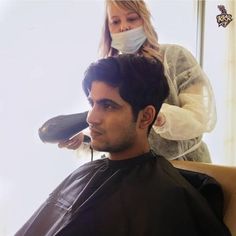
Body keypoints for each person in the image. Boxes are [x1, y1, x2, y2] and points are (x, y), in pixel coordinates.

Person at [16, 55, 230, 236]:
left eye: (107, 106)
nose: (91, 118)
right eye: (93, 103)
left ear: (146, 117)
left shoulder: (168, 200)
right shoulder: (85, 173)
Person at [54, 0, 216, 162]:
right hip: (137, 172)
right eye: (115, 22)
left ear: (144, 20)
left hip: (187, 168)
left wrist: (156, 116)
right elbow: (117, 130)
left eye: (131, 19)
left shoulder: (175, 58)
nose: (124, 27)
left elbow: (199, 117)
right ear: (108, 28)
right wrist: (86, 137)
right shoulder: (110, 71)